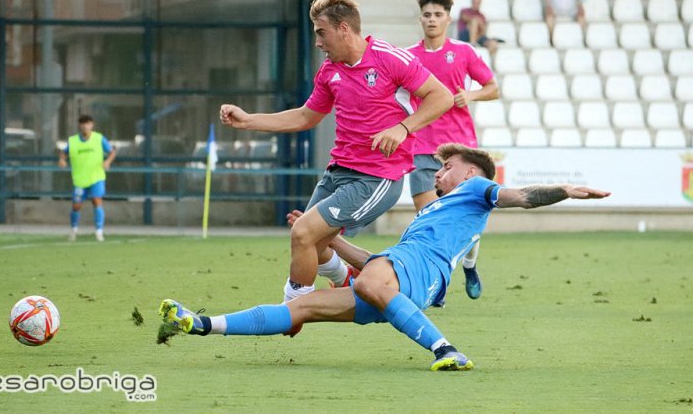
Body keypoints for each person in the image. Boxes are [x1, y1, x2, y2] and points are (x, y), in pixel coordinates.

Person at [158, 143, 611, 371]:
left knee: (369, 280)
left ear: (470, 171)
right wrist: (327, 237)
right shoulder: (433, 211)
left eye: (446, 166)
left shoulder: (476, 187)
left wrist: (564, 190)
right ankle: (202, 324)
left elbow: (521, 197)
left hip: (415, 273)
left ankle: (446, 349)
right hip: (397, 277)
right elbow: (373, 260)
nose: (439, 173)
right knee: (303, 306)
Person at [219, 0, 453, 303]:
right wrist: (248, 120)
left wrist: (402, 128)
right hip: (337, 171)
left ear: (343, 29)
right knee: (311, 246)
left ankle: (292, 310)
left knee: (303, 233)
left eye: (321, 32)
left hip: (377, 176)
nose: (318, 42)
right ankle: (345, 279)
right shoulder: (330, 71)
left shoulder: (389, 58)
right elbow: (306, 116)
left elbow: (442, 97)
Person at [407, 0, 500, 303]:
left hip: (460, 148)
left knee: (465, 220)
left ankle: (469, 265)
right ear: (420, 19)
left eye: (438, 14)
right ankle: (437, 285)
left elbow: (493, 88)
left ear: (448, 19)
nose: (432, 20)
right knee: (428, 220)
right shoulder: (409, 56)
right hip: (421, 146)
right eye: (427, 15)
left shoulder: (463, 52)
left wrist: (470, 95)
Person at [58, 115, 117, 242]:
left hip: (96, 177)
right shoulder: (73, 141)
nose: (85, 126)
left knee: (97, 200)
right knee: (76, 205)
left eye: (88, 123)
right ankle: (74, 230)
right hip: (80, 179)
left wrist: (107, 162)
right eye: (83, 124)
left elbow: (112, 152)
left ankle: (99, 231)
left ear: (92, 125)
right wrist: (62, 160)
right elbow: (64, 152)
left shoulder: (99, 138)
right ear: (79, 125)